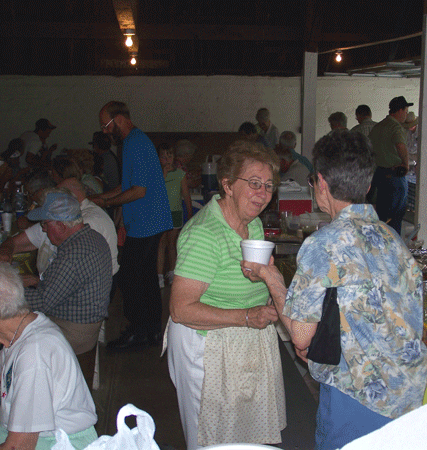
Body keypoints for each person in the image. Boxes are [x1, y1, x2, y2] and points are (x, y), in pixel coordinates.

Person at [241, 130, 427, 450]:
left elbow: (300, 335)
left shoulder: (325, 244)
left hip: (361, 396)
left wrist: (272, 277)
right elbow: (368, 306)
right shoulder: (390, 237)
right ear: (367, 185)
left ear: (321, 183)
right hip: (409, 390)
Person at [166, 140, 286, 449]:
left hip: (244, 340)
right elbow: (181, 310)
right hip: (205, 346)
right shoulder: (205, 233)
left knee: (243, 433)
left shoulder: (254, 225)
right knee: (210, 437)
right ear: (228, 185)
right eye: (254, 183)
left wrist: (266, 289)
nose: (262, 194)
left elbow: (257, 286)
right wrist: (246, 317)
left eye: (269, 186)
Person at [0, 262, 98, 450]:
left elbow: (19, 447)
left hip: (51, 443)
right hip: (5, 436)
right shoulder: (25, 329)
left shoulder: (34, 354)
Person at [94, 101, 172, 351]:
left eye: (105, 125)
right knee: (145, 280)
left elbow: (138, 191)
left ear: (118, 119)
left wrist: (107, 201)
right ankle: (149, 332)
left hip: (147, 221)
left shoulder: (136, 144)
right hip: (147, 221)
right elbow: (127, 186)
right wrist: (102, 198)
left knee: (133, 279)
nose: (105, 132)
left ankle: (140, 331)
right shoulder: (131, 142)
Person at [22, 191, 113, 388]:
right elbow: (66, 286)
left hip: (73, 330)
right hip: (86, 325)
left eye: (45, 224)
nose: (44, 230)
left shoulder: (73, 254)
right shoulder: (92, 238)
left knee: (12, 336)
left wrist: (6, 290)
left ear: (61, 226)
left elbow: (42, 302)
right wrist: (36, 281)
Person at [0, 180, 119, 281]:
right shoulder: (53, 221)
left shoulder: (82, 225)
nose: (43, 227)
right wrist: (6, 251)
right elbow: (15, 242)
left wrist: (36, 283)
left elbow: (61, 290)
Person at [368, 96, 413, 235]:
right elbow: (401, 146)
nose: (406, 114)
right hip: (394, 176)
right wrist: (406, 164)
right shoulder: (395, 127)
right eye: (405, 110)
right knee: (395, 217)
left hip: (378, 175)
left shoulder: (378, 127)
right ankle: (394, 251)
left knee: (382, 218)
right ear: (399, 110)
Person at [156, 143, 194, 287]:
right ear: (158, 158)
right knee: (160, 244)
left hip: (175, 213)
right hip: (160, 213)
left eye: (169, 156)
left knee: (172, 244)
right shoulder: (156, 174)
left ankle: (172, 272)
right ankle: (159, 275)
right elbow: (154, 193)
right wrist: (163, 174)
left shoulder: (180, 174)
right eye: (163, 157)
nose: (167, 160)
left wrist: (190, 214)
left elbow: (186, 195)